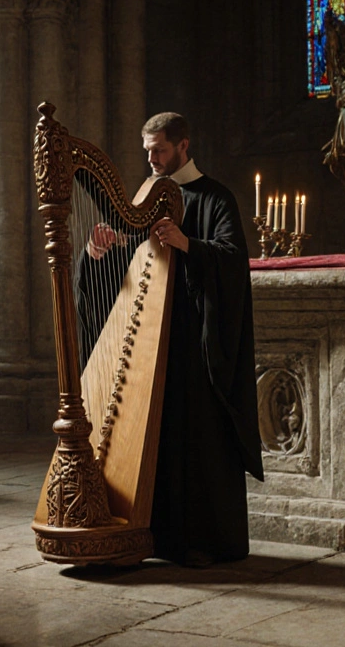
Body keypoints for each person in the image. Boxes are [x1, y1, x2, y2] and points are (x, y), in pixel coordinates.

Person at [83, 112, 263, 567]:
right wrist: (99, 252)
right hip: (150, 338)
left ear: (184, 145)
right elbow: (130, 265)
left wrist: (188, 244)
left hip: (195, 340)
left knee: (197, 436)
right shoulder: (145, 197)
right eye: (146, 151)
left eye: (159, 150)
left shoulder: (215, 196)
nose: (151, 158)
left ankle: (204, 540)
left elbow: (232, 261)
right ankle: (155, 534)